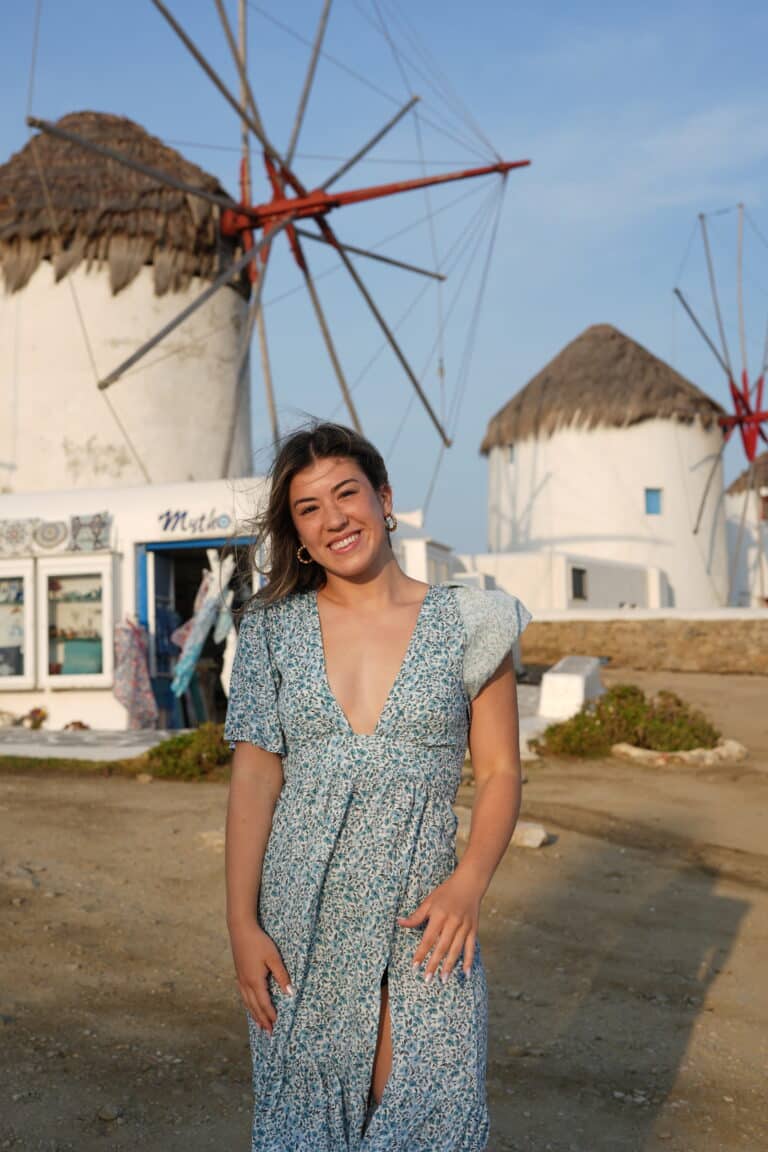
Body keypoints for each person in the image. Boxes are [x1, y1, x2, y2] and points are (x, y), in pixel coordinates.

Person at [224, 422, 530, 1151]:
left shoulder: (471, 621)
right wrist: (241, 924)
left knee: (431, 1109)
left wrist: (470, 883)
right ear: (295, 531)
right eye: (307, 508)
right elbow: (254, 781)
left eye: (346, 493)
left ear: (383, 498)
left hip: (425, 914)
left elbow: (500, 773)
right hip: (300, 916)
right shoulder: (272, 629)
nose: (333, 519)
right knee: (306, 1121)